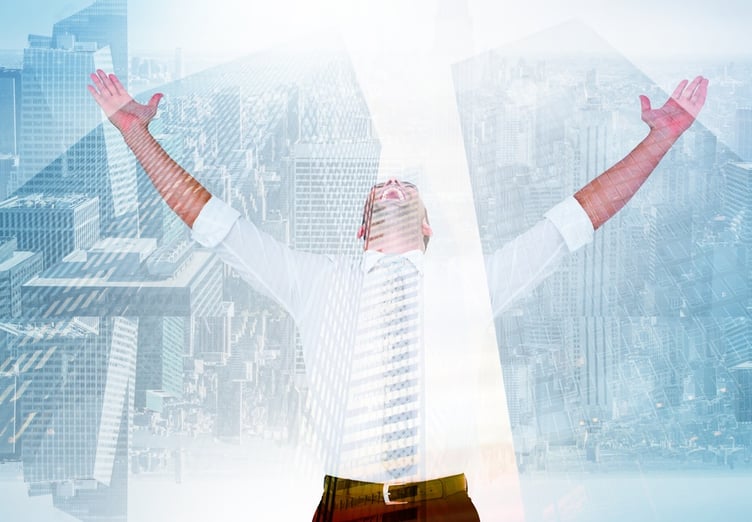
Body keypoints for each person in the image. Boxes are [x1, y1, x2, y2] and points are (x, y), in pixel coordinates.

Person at [88, 70, 708, 521]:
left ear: (428, 227)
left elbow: (570, 224)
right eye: (380, 188)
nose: (390, 185)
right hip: (349, 505)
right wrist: (135, 133)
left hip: (443, 505)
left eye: (404, 188)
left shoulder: (468, 284)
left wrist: (663, 137)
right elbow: (216, 225)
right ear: (361, 229)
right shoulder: (312, 281)